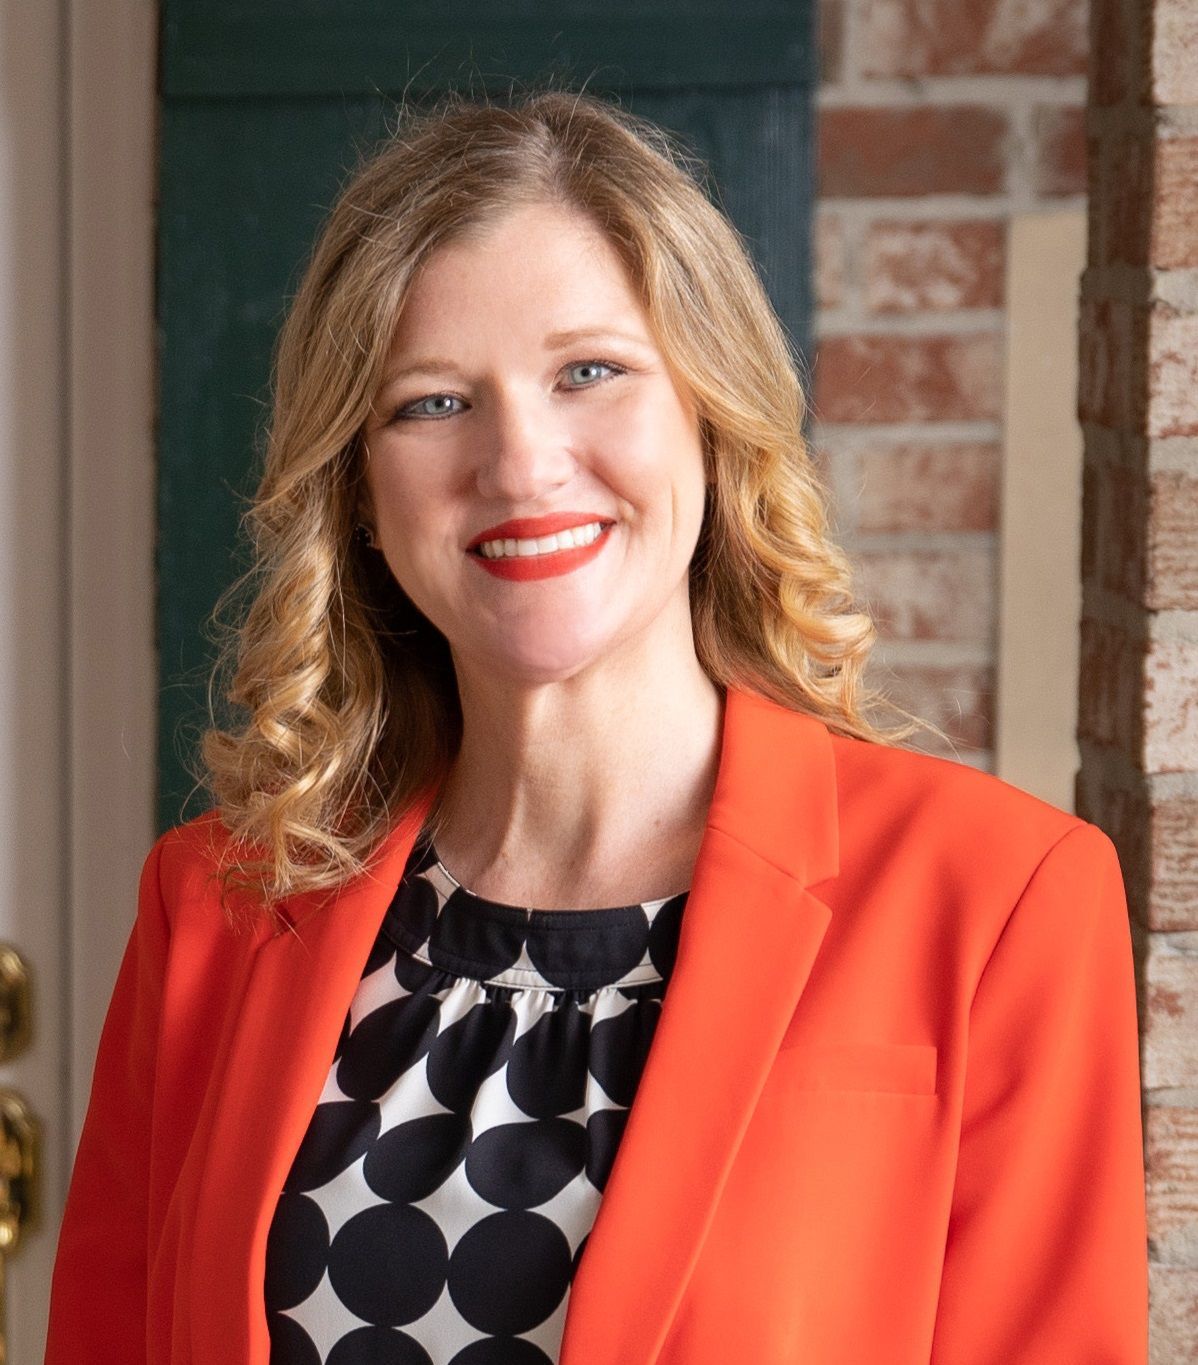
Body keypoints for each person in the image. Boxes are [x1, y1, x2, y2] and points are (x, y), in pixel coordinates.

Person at [45, 86, 1148, 1365]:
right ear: (355, 487)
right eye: (432, 403)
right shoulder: (215, 906)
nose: (520, 463)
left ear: (712, 414)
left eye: (590, 373)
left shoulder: (999, 901)